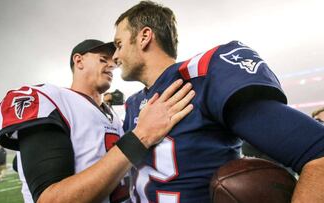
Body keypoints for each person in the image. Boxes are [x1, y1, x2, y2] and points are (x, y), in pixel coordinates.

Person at [112, 1, 324, 202]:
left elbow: (318, 152)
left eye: (119, 44)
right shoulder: (133, 104)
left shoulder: (203, 77)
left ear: (144, 37)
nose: (115, 56)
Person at [0, 39, 194, 203]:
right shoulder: (51, 98)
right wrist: (141, 135)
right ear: (79, 61)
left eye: (113, 61)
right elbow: (51, 199)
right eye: (102, 59)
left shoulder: (113, 115)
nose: (112, 64)